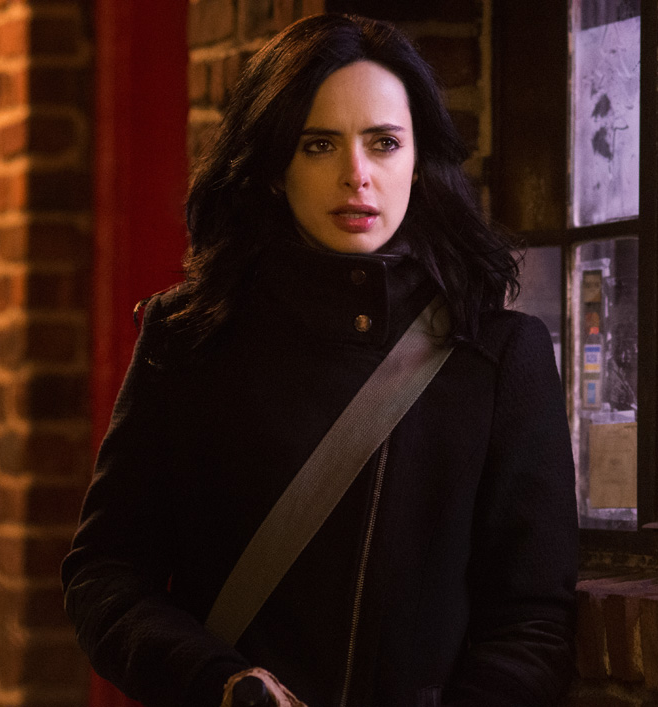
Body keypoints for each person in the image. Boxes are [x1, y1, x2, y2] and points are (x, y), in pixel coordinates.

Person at [62, 13, 577, 707]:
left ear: (418, 161)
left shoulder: (499, 357)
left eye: (384, 143)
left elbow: (533, 619)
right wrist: (218, 683)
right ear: (277, 167)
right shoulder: (189, 340)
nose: (356, 175)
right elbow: (105, 574)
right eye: (319, 145)